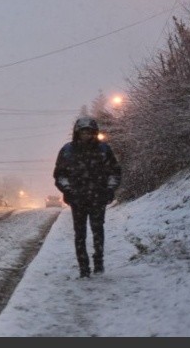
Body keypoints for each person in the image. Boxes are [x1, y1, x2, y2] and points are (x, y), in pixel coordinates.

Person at [53, 116, 122, 278]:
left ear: (94, 133)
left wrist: (110, 189)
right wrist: (68, 190)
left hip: (98, 197)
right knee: (80, 233)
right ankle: (83, 267)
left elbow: (114, 172)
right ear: (77, 133)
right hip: (78, 199)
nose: (86, 135)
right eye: (83, 132)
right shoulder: (67, 151)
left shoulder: (104, 150)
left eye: (89, 132)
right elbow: (60, 175)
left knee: (98, 230)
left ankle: (98, 262)